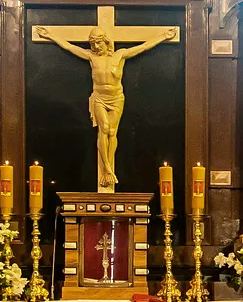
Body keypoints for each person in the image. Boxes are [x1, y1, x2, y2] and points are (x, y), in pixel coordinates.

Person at [36, 24, 176, 191]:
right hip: (99, 98)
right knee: (104, 128)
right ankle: (107, 169)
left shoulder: (120, 55)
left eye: (99, 43)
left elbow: (143, 47)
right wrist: (50, 35)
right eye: (93, 44)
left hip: (116, 98)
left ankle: (108, 169)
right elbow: (69, 47)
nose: (96, 47)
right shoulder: (91, 57)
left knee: (112, 132)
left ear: (106, 42)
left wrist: (164, 36)